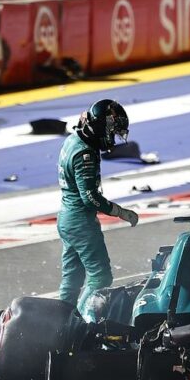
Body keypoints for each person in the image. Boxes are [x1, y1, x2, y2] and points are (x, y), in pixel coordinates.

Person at [56, 99, 138, 310]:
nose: (113, 138)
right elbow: (90, 197)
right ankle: (81, 320)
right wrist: (121, 212)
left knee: (72, 277)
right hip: (81, 222)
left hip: (66, 218)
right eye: (112, 132)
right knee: (100, 277)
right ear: (102, 128)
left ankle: (60, 320)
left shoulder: (73, 139)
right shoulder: (85, 154)